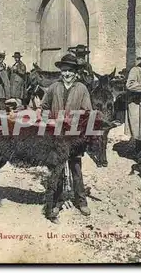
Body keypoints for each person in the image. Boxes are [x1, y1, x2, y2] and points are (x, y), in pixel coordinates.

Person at [40, 54, 93, 222]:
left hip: (74, 136)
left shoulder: (82, 89)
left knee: (76, 168)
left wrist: (77, 124)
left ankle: (81, 200)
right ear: (60, 72)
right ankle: (57, 201)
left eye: (70, 70)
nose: (66, 74)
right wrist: (47, 120)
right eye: (64, 70)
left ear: (76, 72)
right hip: (56, 135)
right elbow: (44, 107)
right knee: (58, 170)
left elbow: (87, 112)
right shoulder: (54, 87)